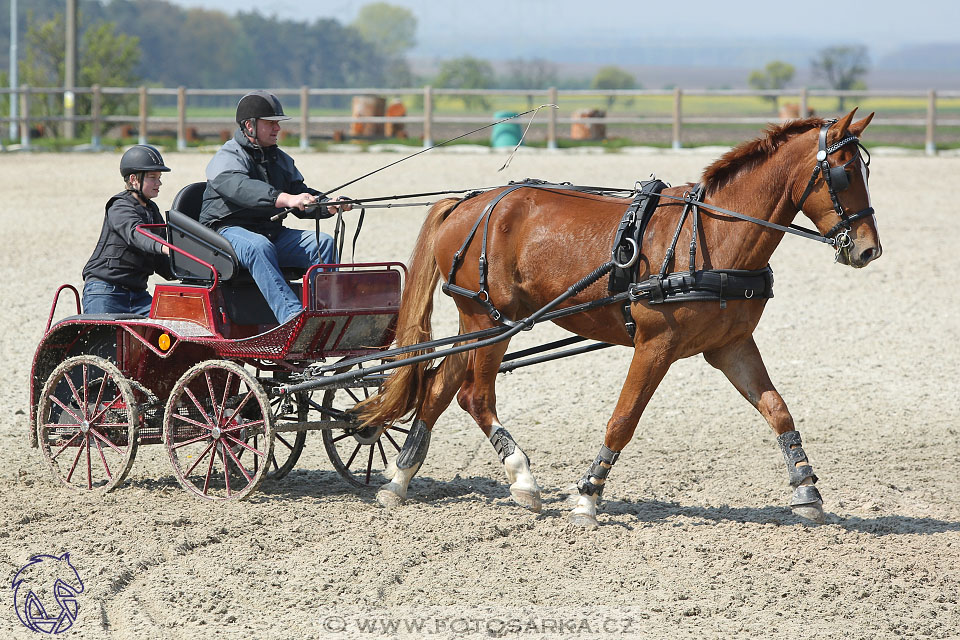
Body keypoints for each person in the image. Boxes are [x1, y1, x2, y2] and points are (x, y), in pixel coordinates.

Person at [199, 90, 349, 325]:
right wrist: (286, 198)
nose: (277, 128)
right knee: (259, 246)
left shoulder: (280, 159)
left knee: (323, 243)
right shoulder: (227, 156)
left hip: (269, 231)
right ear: (249, 125)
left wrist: (326, 205)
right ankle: (293, 320)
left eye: (277, 123)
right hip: (225, 233)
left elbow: (300, 194)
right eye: (271, 123)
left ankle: (326, 317)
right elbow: (241, 188)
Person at [81, 145, 173, 315]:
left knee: (169, 327)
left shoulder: (153, 211)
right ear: (134, 179)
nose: (159, 183)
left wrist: (193, 269)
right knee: (103, 339)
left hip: (139, 295)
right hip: (105, 290)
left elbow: (163, 263)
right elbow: (136, 233)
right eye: (153, 177)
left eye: (159, 177)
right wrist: (166, 247)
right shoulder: (119, 206)